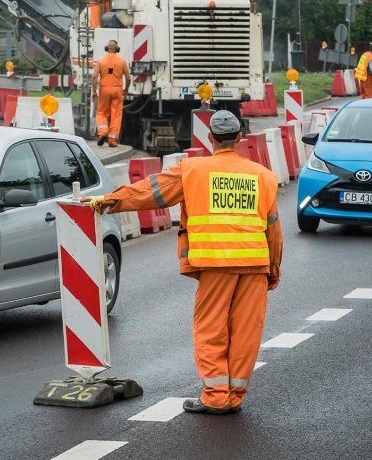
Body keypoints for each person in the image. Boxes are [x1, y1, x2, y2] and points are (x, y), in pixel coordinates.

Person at [83, 110, 283, 415]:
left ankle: (216, 395)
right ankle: (234, 396)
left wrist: (110, 200)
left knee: (212, 329)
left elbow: (149, 192)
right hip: (255, 264)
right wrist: (274, 269)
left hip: (215, 264)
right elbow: (274, 229)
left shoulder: (192, 170)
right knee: (246, 332)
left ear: (212, 138)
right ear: (240, 139)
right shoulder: (264, 177)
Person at [92, 40, 131, 147]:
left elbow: (94, 76)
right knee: (116, 114)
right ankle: (112, 140)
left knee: (101, 112)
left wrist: (94, 91)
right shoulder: (122, 61)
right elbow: (128, 78)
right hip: (117, 90)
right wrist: (126, 89)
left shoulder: (101, 61)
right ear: (117, 49)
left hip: (104, 90)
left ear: (107, 48)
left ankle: (102, 133)